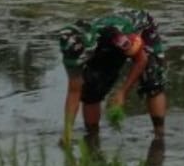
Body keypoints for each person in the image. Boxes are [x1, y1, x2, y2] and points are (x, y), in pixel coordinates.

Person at [58, 9, 168, 142]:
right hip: (104, 47)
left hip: (140, 32)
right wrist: (67, 133)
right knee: (91, 89)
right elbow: (74, 90)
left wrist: (122, 92)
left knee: (152, 81)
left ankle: (159, 136)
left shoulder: (117, 37)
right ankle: (92, 139)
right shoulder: (70, 49)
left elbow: (141, 60)